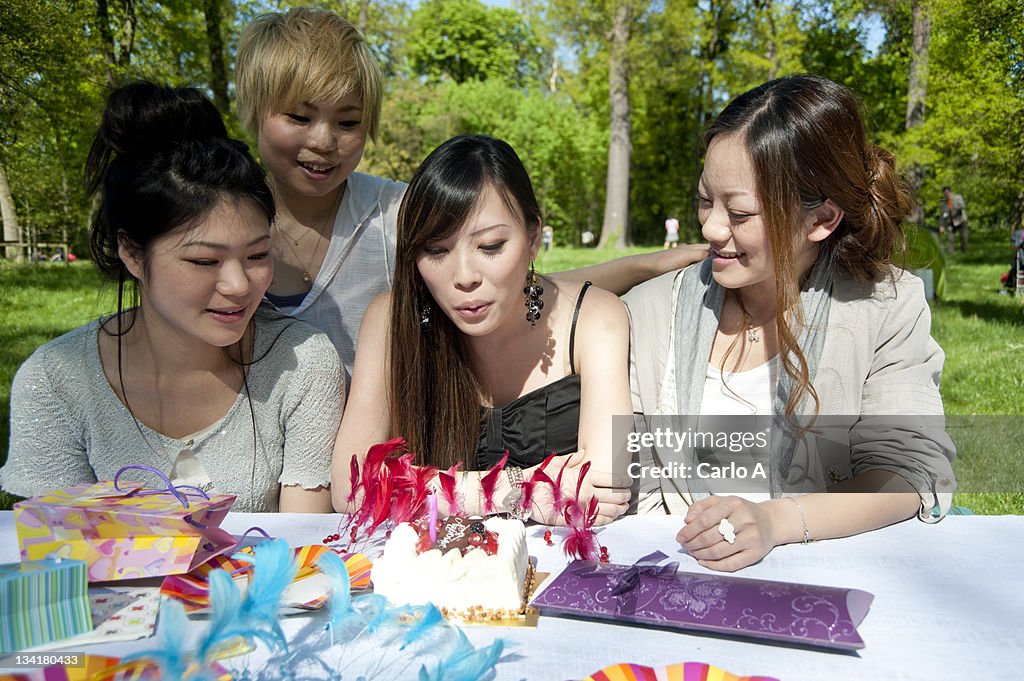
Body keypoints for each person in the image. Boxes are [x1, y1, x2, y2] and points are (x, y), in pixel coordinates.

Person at [236, 7, 707, 377]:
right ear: (254, 109)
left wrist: (648, 265)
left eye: (348, 122)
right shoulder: (213, 214)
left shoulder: (398, 213)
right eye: (299, 117)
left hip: (374, 467)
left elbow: (518, 284)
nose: (323, 141)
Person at [624, 75, 956, 572]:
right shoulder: (651, 311)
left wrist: (778, 522)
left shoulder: (885, 307)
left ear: (821, 219)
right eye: (704, 200)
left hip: (825, 578)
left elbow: (908, 474)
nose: (711, 228)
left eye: (739, 212)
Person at [0, 82, 342, 513]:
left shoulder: (301, 363)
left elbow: (304, 551)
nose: (238, 284)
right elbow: (55, 558)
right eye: (204, 261)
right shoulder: (56, 381)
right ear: (131, 252)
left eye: (257, 254)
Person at [331, 135, 632, 525]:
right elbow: (353, 488)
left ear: (534, 238)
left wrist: (436, 490)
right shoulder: (389, 321)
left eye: (490, 246)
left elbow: (608, 485)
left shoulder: (595, 317)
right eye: (436, 251)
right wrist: (519, 489)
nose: (464, 277)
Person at [939, 186, 968, 253]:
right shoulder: (944, 203)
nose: (946, 194)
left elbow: (962, 206)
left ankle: (964, 252)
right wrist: (941, 225)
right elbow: (942, 215)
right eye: (944, 193)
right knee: (950, 238)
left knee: (964, 237)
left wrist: (954, 208)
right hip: (951, 222)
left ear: (950, 192)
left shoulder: (957, 197)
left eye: (947, 192)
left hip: (961, 220)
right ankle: (950, 253)